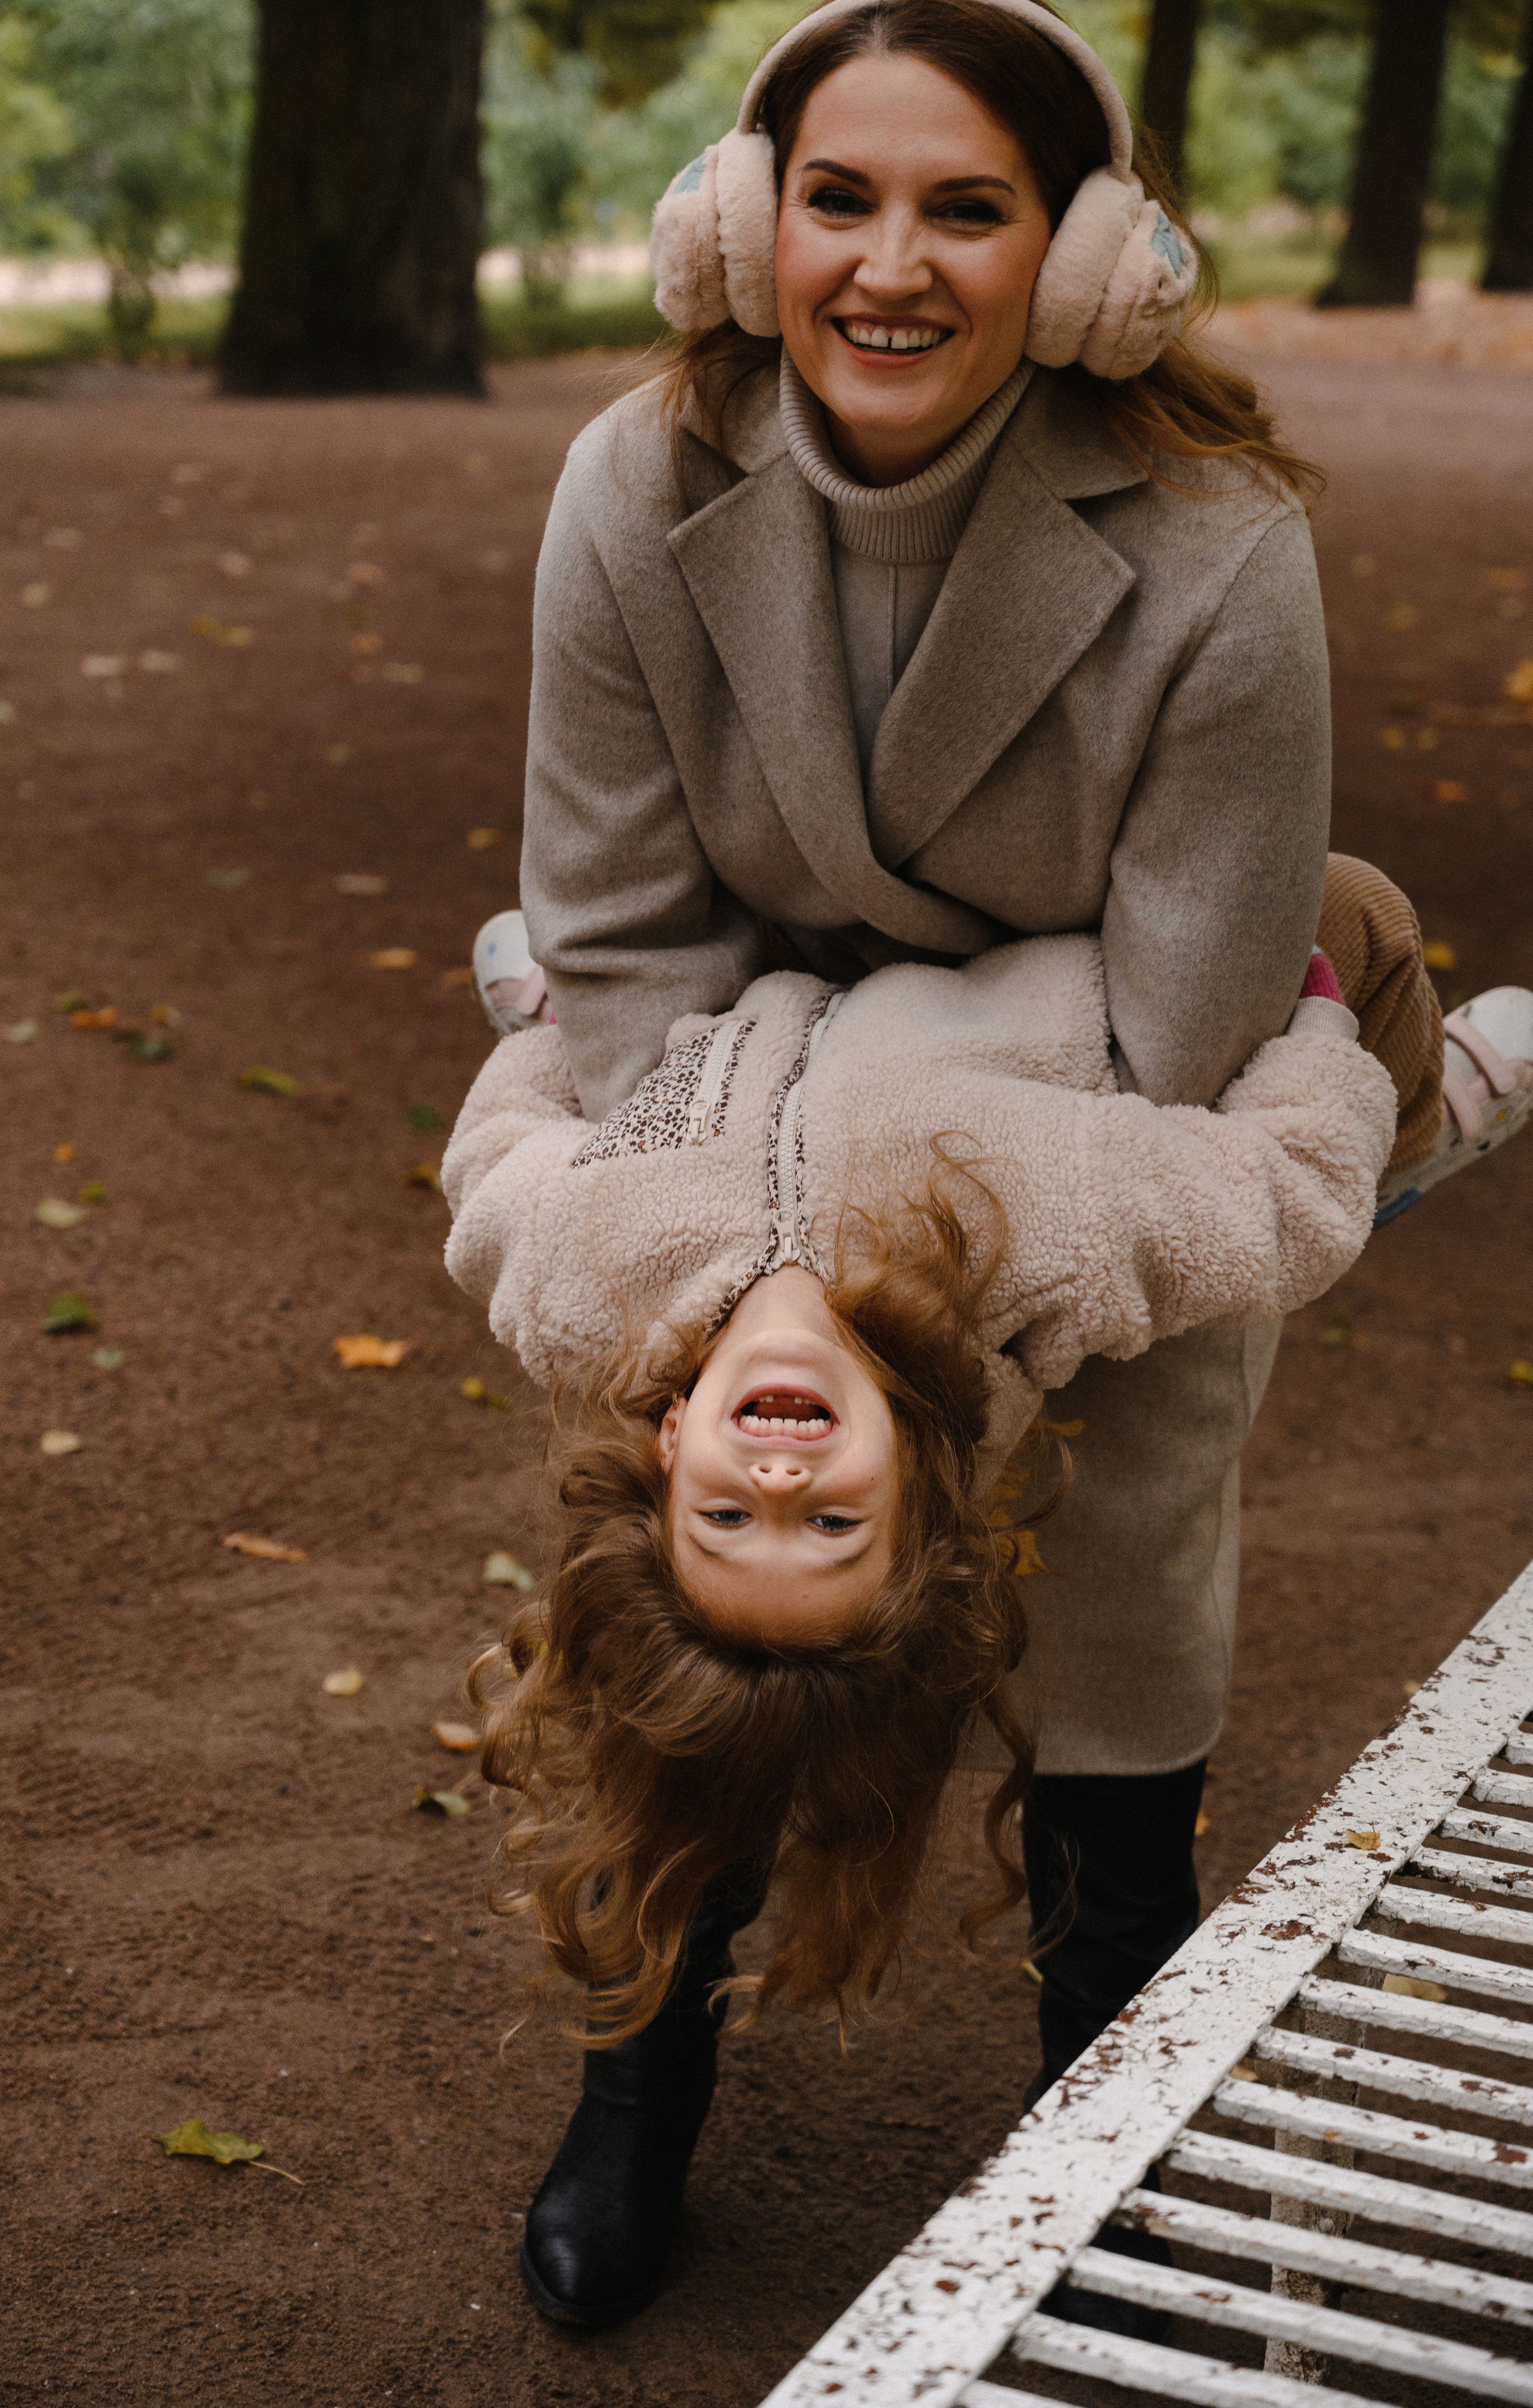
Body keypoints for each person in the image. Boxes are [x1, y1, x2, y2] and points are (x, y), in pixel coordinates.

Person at [467, 0, 1533, 2328]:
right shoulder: (634, 494)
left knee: (1132, 1560)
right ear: (748, 224)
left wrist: (932, 1298)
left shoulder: (1218, 552)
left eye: (970, 207)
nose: (891, 262)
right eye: (839, 196)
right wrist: (756, 1205)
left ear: (1083, 258)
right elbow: (624, 943)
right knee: (713, 1589)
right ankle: (641, 2071)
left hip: (1095, 1110)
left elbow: (1181, 1046)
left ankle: (1111, 2109)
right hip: (736, 1071)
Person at [446, 863, 1532, 2329]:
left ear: (666, 1447)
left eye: (735, 1501)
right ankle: (638, 2087)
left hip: (1050, 1014)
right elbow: (1271, 1192)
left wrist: (563, 1038)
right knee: (722, 1693)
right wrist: (1315, 1048)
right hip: (1021, 1153)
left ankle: (1100, 2158)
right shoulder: (1038, 1228)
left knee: (1114, 1605)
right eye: (820, 1512)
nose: (772, 1482)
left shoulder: (591, 1273)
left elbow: (494, 1172)